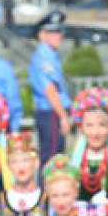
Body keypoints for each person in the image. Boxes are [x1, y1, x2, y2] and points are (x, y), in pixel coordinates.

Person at [30, 10, 71, 162]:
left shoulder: (50, 55)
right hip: (51, 113)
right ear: (42, 35)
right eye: (53, 32)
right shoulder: (44, 57)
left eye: (60, 32)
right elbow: (50, 89)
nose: (58, 36)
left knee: (53, 155)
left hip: (51, 112)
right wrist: (63, 116)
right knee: (53, 159)